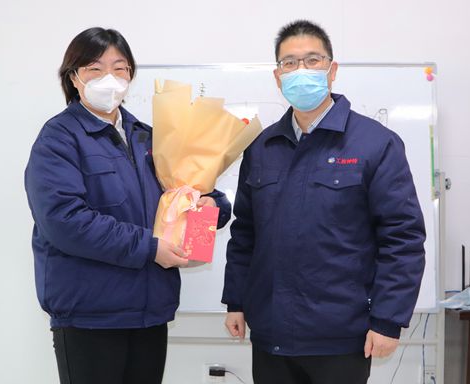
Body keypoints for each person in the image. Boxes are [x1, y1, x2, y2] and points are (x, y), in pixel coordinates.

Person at [222, 20, 426, 384]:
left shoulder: (375, 143)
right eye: (289, 63)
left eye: (312, 60)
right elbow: (245, 234)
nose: (301, 70)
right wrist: (236, 301)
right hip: (271, 335)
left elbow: (402, 238)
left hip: (341, 337)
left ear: (332, 70)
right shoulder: (262, 147)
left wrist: (388, 319)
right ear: (278, 77)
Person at [24, 27, 231, 384]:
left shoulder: (149, 137)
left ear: (130, 76)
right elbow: (64, 221)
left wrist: (210, 204)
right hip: (91, 316)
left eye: (119, 68)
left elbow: (193, 195)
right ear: (73, 78)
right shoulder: (59, 138)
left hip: (150, 312)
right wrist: (150, 248)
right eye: (95, 69)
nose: (110, 78)